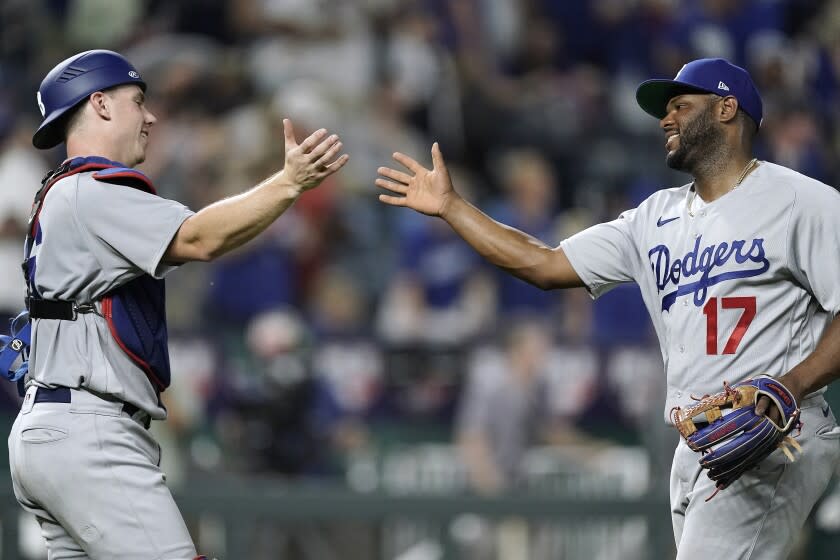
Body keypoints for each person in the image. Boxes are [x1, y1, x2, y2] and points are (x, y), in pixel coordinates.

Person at [376, 57, 840, 558]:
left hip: (774, 432)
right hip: (699, 440)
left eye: (682, 106)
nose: (666, 119)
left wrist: (791, 384)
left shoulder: (802, 202)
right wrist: (453, 207)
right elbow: (545, 264)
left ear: (727, 108)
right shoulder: (654, 218)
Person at [6, 49, 347, 559]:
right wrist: (289, 182)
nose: (151, 116)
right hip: (89, 432)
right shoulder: (90, 192)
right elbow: (200, 239)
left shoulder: (57, 194)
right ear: (98, 104)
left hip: (52, 428)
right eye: (137, 101)